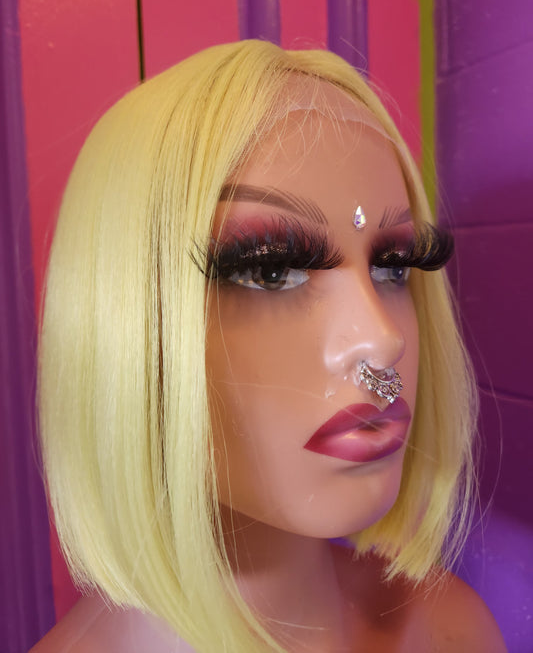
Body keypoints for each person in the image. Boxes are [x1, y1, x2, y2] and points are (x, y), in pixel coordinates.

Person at [33, 40, 506, 652]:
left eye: (393, 266)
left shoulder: (450, 630)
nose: (380, 340)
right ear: (128, 325)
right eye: (271, 271)